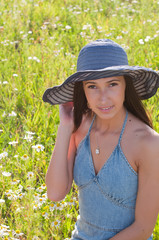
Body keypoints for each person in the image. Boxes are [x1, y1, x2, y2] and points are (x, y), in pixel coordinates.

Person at [43, 39, 159, 240]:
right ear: (83, 91)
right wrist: (65, 127)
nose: (103, 98)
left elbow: (143, 228)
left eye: (112, 84)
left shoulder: (148, 144)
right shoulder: (81, 127)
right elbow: (55, 193)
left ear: (125, 86)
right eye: (92, 86)